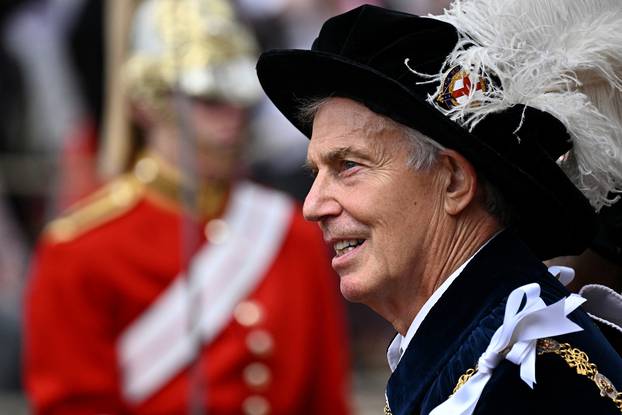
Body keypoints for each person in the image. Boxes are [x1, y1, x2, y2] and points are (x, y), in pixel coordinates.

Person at [256, 0, 622, 414]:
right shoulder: (477, 352)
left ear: (454, 181)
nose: (312, 206)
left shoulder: (527, 380)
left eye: (348, 166)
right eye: (315, 173)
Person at [23, 0, 351, 413]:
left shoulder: (292, 233)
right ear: (146, 103)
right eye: (209, 100)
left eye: (239, 100)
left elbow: (324, 399)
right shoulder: (76, 252)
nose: (231, 120)